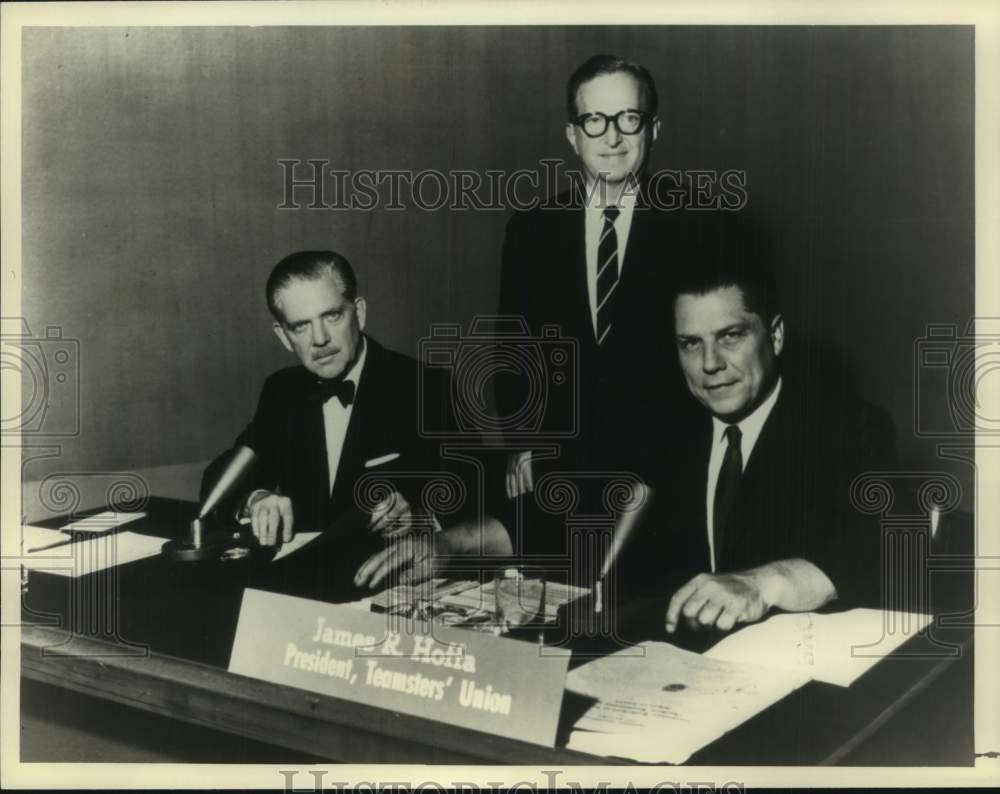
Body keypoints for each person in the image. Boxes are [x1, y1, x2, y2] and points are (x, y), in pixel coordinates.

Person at [633, 217, 896, 634]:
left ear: (774, 337)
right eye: (690, 344)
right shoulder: (666, 436)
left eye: (731, 336)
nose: (710, 364)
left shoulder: (851, 428)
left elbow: (875, 548)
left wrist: (762, 582)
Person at [202, 250, 508, 600]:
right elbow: (219, 478)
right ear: (283, 336)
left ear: (358, 313)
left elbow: (483, 500)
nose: (319, 339)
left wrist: (422, 518)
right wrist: (256, 499)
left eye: (331, 316)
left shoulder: (426, 387)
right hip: (302, 593)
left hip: (392, 593)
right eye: (300, 325)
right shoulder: (281, 391)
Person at [496, 54, 695, 505]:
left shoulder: (701, 225)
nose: (611, 136)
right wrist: (524, 444)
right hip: (557, 473)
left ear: (653, 129)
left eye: (628, 118)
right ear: (572, 135)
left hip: (672, 474)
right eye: (594, 120)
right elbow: (513, 353)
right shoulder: (531, 230)